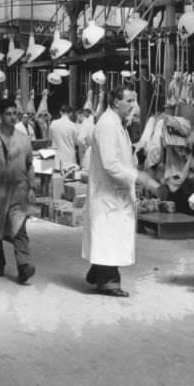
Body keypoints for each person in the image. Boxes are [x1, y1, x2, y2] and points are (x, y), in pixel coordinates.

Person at [82, 84, 160, 296]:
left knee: (110, 238)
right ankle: (108, 282)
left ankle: (98, 271)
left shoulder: (117, 123)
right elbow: (110, 164)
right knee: (109, 237)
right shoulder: (108, 125)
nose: (134, 105)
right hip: (107, 195)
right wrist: (139, 177)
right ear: (116, 102)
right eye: (130, 100)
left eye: (135, 100)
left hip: (115, 194)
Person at [0, 98, 37, 284]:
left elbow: (29, 165)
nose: (13, 117)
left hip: (18, 191)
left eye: (15, 114)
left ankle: (24, 265)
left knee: (19, 228)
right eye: (8, 114)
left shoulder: (23, 139)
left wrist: (31, 187)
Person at [48, 104, 80, 173]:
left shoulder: (53, 123)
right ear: (71, 113)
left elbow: (50, 138)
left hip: (56, 159)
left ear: (60, 112)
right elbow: (76, 142)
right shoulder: (73, 126)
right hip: (69, 159)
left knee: (56, 181)